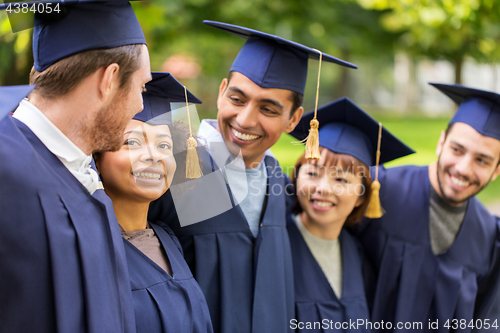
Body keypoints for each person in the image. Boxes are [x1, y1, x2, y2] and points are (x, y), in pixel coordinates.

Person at [149, 21, 357, 333]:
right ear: (221, 93)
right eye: (237, 98)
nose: (245, 119)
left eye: (269, 109)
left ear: (294, 119)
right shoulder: (178, 164)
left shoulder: (277, 179)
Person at [0, 1, 151, 332]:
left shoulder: (83, 168)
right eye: (141, 86)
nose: (141, 105)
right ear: (109, 79)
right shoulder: (6, 167)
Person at [356, 83, 500, 332]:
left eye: (482, 160)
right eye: (457, 150)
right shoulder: (380, 191)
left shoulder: (489, 238)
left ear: (496, 171)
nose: (463, 169)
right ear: (441, 143)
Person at [94, 72, 214, 333]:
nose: (153, 156)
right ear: (96, 156)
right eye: (132, 142)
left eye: (164, 145)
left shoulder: (167, 238)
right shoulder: (89, 248)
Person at [287, 97, 413, 332]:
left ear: (362, 196)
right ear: (296, 176)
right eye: (313, 173)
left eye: (342, 179)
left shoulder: (357, 255)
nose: (323, 188)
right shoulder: (276, 246)